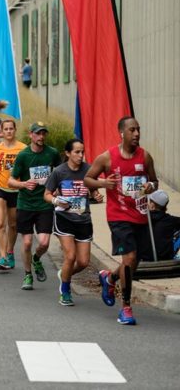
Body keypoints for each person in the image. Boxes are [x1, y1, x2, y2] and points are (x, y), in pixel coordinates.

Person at [84, 116, 158, 325]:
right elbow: (87, 178)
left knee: (134, 262)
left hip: (140, 215)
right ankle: (126, 307)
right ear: (122, 133)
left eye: (138, 129)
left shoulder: (145, 157)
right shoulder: (107, 157)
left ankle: (110, 278)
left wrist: (150, 187)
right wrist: (103, 183)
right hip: (118, 216)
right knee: (129, 257)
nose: (137, 134)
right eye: (132, 130)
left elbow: (154, 180)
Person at [44, 138, 104, 305]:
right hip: (64, 218)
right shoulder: (59, 172)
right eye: (77, 152)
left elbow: (93, 190)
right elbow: (47, 194)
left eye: (82, 152)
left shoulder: (88, 170)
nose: (80, 155)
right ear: (68, 153)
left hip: (83, 219)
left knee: (83, 262)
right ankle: (65, 290)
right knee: (70, 256)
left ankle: (64, 273)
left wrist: (96, 195)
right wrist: (57, 202)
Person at [8, 122, 61, 290]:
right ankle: (28, 274)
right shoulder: (23, 156)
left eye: (44, 133)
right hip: (25, 204)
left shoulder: (52, 153)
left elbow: (61, 173)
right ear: (31, 135)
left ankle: (36, 259)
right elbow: (11, 181)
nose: (41, 137)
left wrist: (58, 188)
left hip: (44, 204)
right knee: (26, 243)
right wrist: (23, 184)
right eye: (38, 133)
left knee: (44, 243)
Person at [0, 119, 26, 271]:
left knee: (13, 224)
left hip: (16, 190)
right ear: (1, 131)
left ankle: (10, 252)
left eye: (11, 129)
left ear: (15, 130)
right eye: (6, 129)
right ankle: (2, 257)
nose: (9, 131)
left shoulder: (23, 148)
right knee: (1, 222)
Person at [148, 190, 180, 261]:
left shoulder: (143, 219)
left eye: (149, 202)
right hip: (165, 258)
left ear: (152, 205)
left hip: (146, 258)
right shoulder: (170, 220)